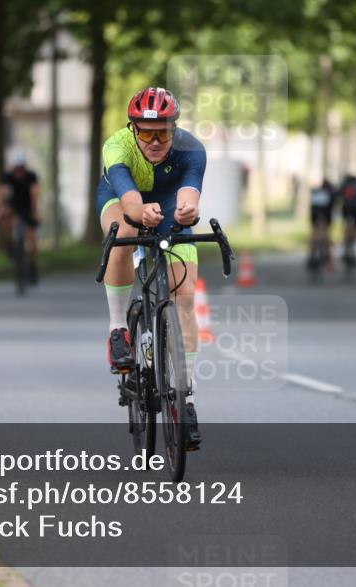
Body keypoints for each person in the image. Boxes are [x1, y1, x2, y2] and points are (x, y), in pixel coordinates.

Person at [96, 87, 205, 448]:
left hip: (169, 202)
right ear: (132, 129)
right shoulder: (117, 146)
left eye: (164, 132)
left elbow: (189, 196)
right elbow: (129, 200)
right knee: (125, 229)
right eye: (146, 132)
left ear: (175, 129)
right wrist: (140, 212)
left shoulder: (192, 149)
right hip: (121, 198)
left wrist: (188, 211)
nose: (156, 141)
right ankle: (117, 330)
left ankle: (185, 399)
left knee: (185, 296)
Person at [0, 149, 41, 282]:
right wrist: (0, 209)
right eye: (16, 169)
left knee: (32, 241)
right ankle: (10, 246)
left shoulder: (31, 177)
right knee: (4, 221)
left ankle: (32, 266)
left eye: (21, 169)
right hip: (13, 209)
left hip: (27, 209)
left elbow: (35, 194)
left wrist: (36, 210)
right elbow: (0, 193)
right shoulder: (7, 177)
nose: (19, 173)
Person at [308, 178, 336, 270]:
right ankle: (329, 258)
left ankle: (311, 254)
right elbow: (333, 207)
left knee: (314, 233)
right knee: (326, 234)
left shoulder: (315, 192)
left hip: (315, 215)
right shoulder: (330, 192)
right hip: (325, 215)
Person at [339, 174, 356, 266]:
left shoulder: (344, 184)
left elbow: (339, 194)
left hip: (346, 207)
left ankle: (344, 243)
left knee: (346, 225)